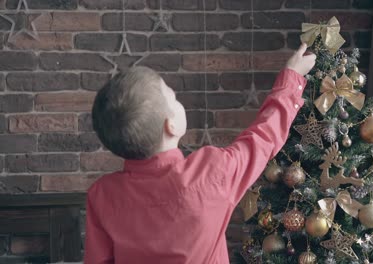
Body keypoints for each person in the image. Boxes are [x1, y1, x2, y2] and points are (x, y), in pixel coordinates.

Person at [85, 43, 316, 264]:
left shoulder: (101, 194)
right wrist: (291, 77)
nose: (178, 101)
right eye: (173, 98)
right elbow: (263, 137)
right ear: (171, 126)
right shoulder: (211, 173)